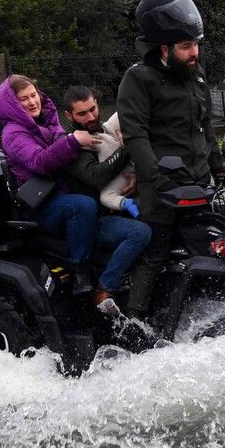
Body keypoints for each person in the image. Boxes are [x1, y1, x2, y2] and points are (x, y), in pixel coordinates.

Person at [116, 0, 224, 321]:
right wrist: (157, 180)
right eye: (187, 46)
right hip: (161, 190)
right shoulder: (139, 79)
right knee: (156, 253)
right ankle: (134, 324)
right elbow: (136, 134)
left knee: (205, 247)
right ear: (164, 48)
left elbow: (205, 127)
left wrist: (221, 167)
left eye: (197, 44)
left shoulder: (196, 76)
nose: (195, 53)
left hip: (198, 184)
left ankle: (198, 313)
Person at [0, 73, 101, 299]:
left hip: (58, 192)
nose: (32, 102)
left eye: (33, 95)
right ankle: (81, 273)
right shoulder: (13, 133)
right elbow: (39, 161)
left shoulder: (46, 121)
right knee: (84, 206)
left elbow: (62, 144)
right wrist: (74, 141)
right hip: (39, 204)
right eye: (24, 99)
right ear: (12, 105)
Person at [60, 86, 152, 312]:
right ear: (69, 116)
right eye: (82, 114)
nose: (90, 117)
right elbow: (96, 177)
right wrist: (129, 145)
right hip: (96, 221)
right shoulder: (72, 144)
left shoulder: (107, 129)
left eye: (93, 109)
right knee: (141, 233)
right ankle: (104, 289)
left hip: (117, 206)